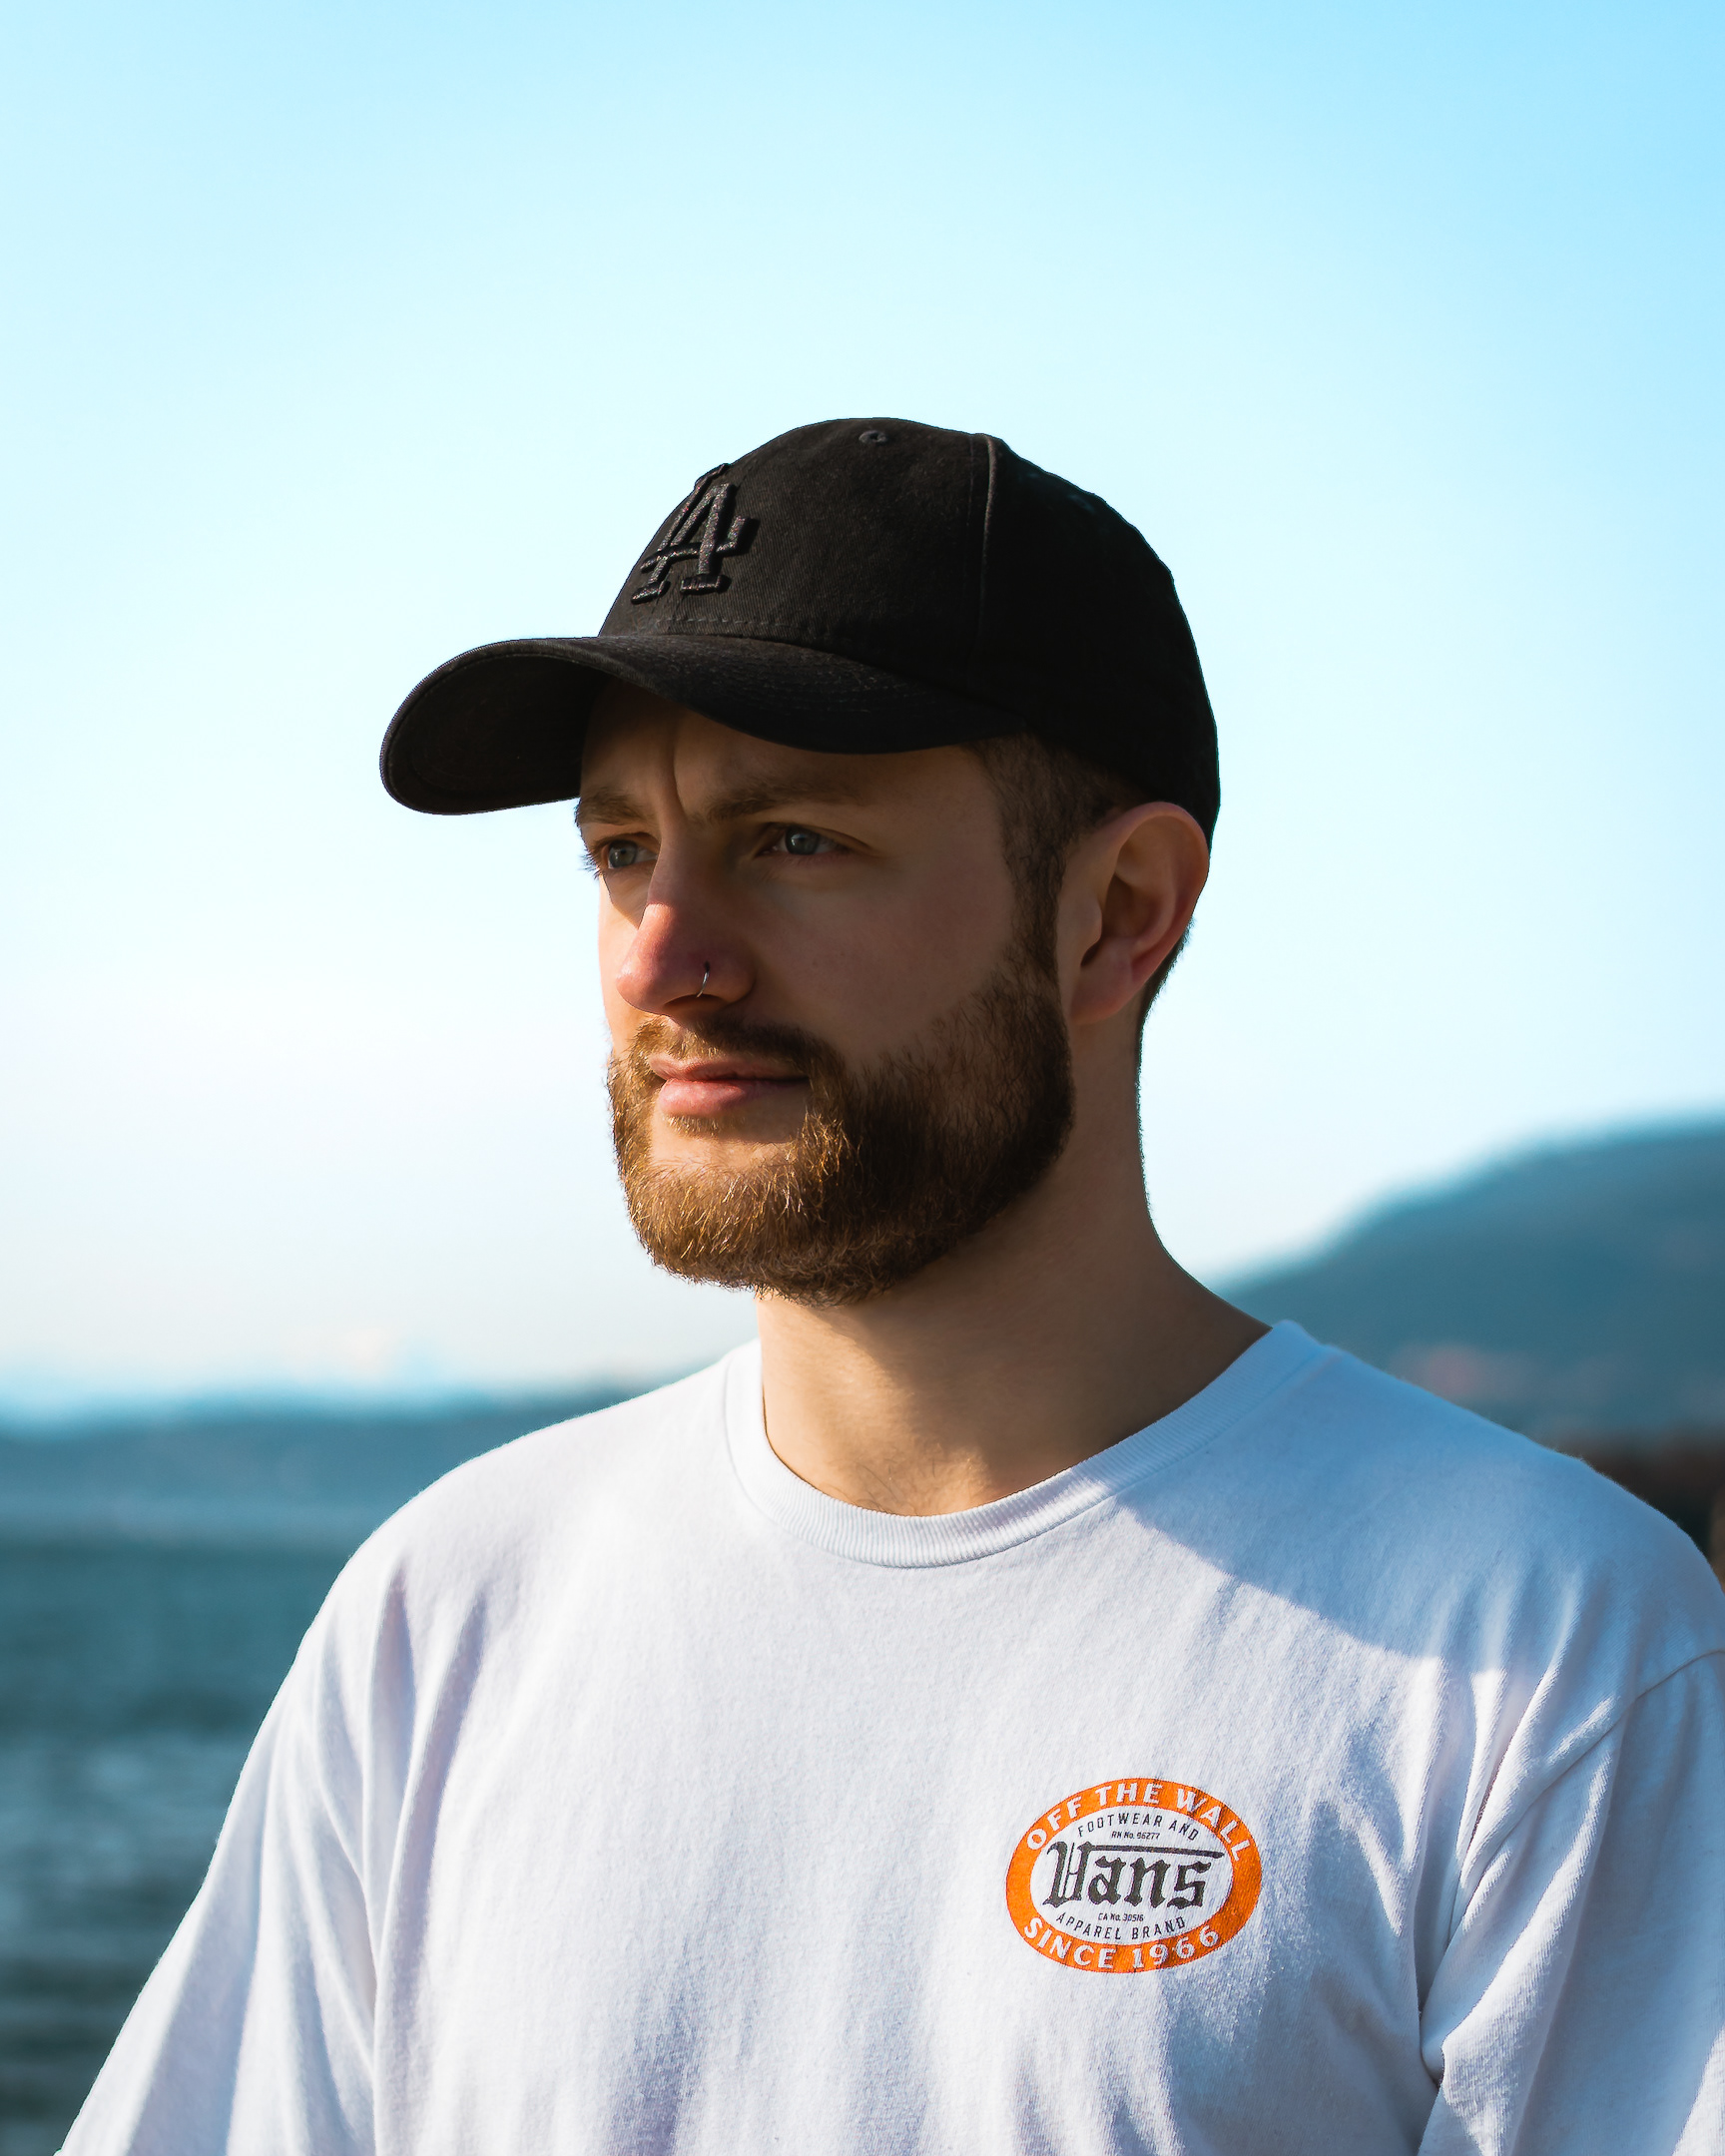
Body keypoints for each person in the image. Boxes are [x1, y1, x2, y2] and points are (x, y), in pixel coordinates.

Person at [66, 420, 1724, 2155]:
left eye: (793, 841)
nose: (660, 957)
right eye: (620, 850)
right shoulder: (450, 1614)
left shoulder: (1544, 1649)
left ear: (1117, 914)